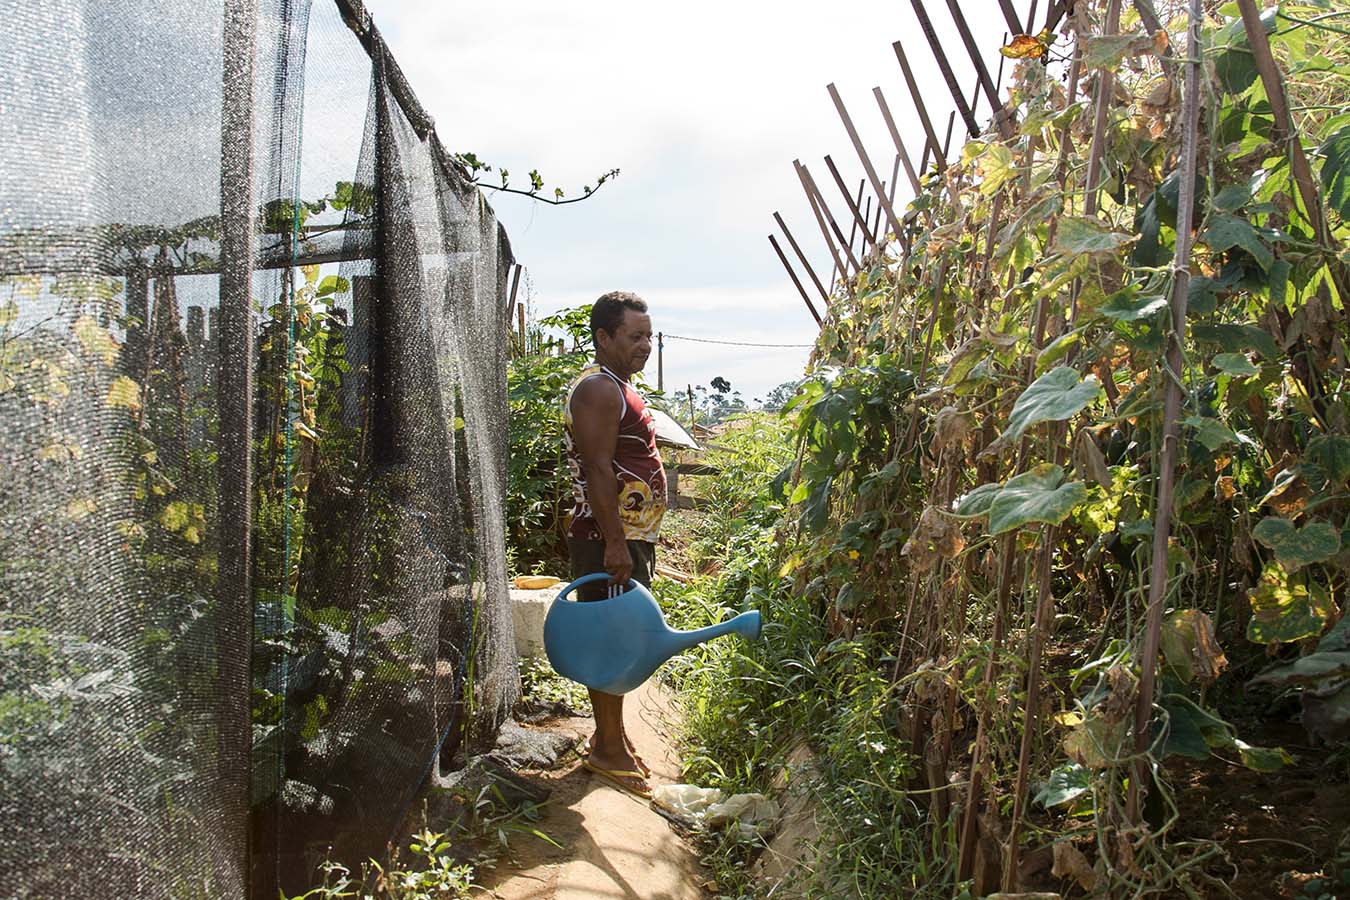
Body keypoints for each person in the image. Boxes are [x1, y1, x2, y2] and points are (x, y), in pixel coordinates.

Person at [562, 291, 666, 799]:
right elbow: (598, 470)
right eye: (635, 336)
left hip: (626, 538)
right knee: (611, 637)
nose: (645, 345)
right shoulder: (599, 391)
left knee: (620, 634)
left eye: (649, 335)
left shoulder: (620, 387)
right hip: (608, 540)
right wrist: (616, 545)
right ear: (604, 338)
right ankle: (606, 749)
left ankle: (612, 737)